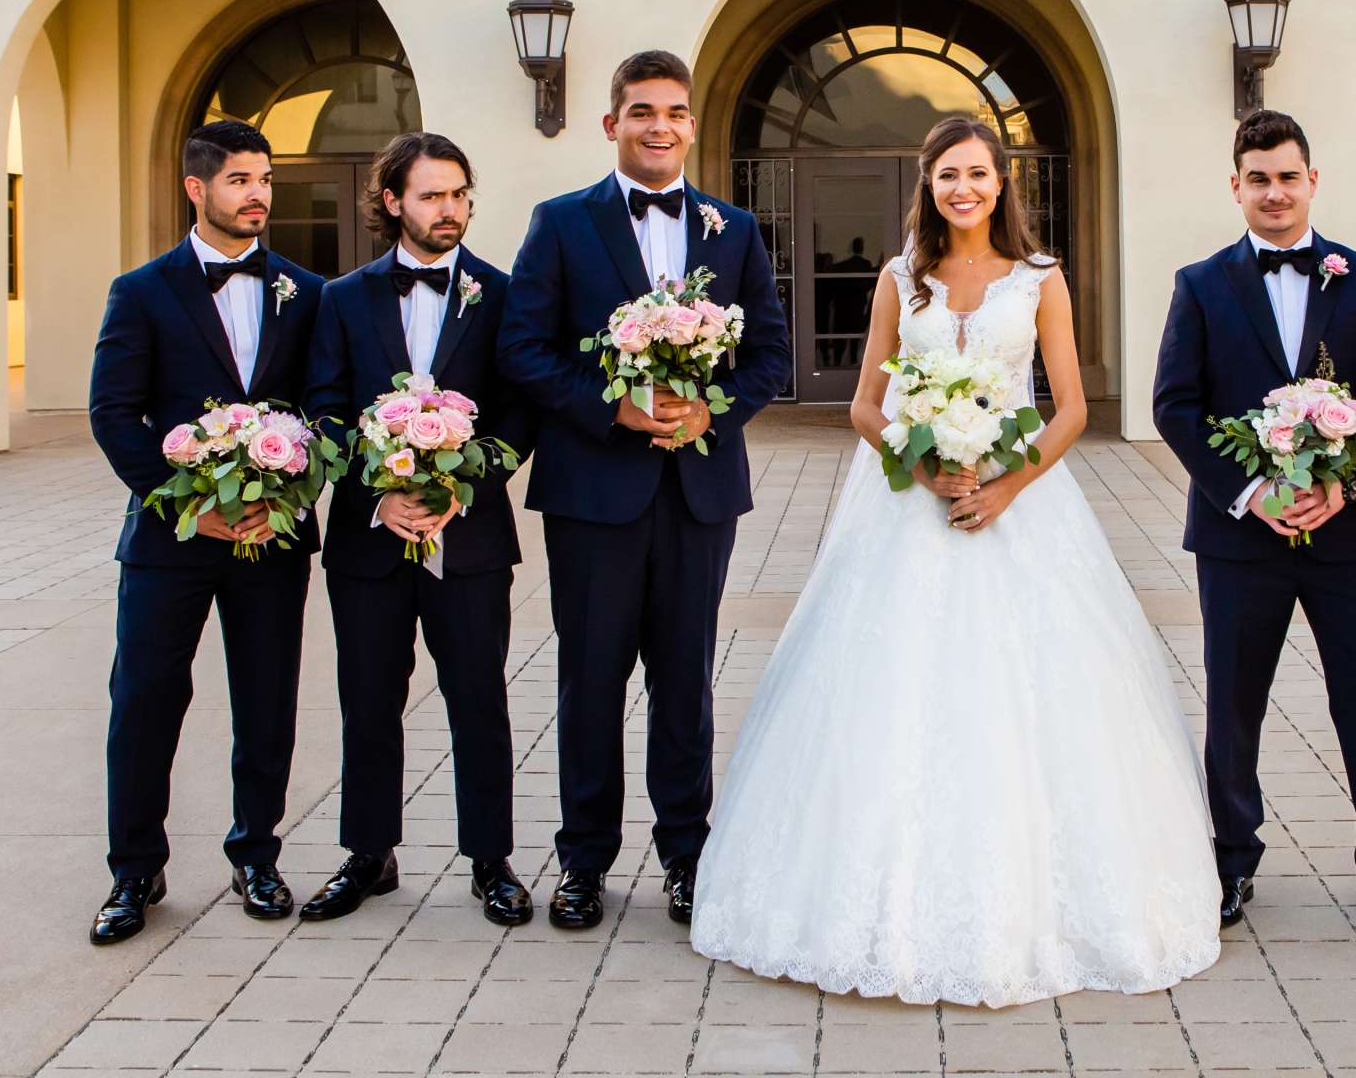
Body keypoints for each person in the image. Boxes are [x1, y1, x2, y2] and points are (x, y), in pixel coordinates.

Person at [692, 116, 1220, 1004]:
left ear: (1003, 182)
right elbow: (865, 403)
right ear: (927, 186)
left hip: (1023, 511)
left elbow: (1071, 408)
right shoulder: (902, 280)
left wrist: (1008, 484)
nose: (963, 189)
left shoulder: (1040, 280)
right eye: (947, 176)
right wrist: (923, 463)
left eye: (978, 173)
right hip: (907, 510)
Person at [496, 51, 791, 930]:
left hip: (698, 493)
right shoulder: (560, 224)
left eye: (672, 112)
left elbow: (770, 354)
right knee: (590, 679)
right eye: (639, 111)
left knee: (686, 681)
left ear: (691, 125)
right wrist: (610, 410)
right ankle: (583, 862)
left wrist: (714, 414)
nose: (657, 126)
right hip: (594, 491)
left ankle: (686, 856)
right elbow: (523, 349)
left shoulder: (732, 229)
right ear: (610, 123)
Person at [1152, 109, 1356, 940]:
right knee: (1236, 705)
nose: (1274, 192)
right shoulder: (1201, 284)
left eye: (1288, 176)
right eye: (1258, 178)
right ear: (1236, 187)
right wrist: (1250, 493)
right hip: (1240, 538)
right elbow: (1175, 405)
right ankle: (1231, 864)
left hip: (1349, 537)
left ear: (1313, 180)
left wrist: (1343, 486)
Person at [84, 121, 324, 945]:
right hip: (169, 542)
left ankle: (257, 854)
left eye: (265, 180)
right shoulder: (142, 291)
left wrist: (284, 497)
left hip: (272, 534)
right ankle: (132, 872)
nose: (257, 194)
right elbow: (113, 413)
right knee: (145, 701)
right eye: (239, 181)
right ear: (197, 188)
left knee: (266, 700)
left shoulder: (306, 291)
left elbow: (322, 411)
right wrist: (187, 503)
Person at [302, 133, 536, 928]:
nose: (451, 210)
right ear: (392, 201)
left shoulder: (501, 295)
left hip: (469, 539)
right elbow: (324, 412)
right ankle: (368, 854)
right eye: (433, 195)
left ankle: (492, 860)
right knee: (367, 699)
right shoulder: (342, 299)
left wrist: (462, 489)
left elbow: (518, 413)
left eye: (461, 194)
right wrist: (379, 497)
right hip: (369, 541)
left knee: (479, 699)